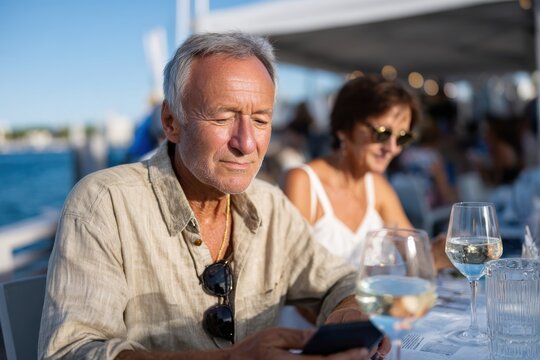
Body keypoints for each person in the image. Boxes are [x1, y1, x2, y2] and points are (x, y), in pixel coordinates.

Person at [38, 33, 389, 360]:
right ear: (171, 122)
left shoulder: (270, 204)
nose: (246, 143)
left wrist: (350, 309)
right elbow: (73, 351)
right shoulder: (105, 204)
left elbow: (338, 281)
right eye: (223, 117)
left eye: (262, 120)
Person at [280, 75, 450, 328]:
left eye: (402, 138)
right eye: (381, 133)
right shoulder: (304, 181)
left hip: (364, 324)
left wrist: (441, 251)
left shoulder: (377, 186)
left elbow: (415, 256)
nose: (392, 147)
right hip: (312, 333)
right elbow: (294, 284)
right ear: (344, 129)